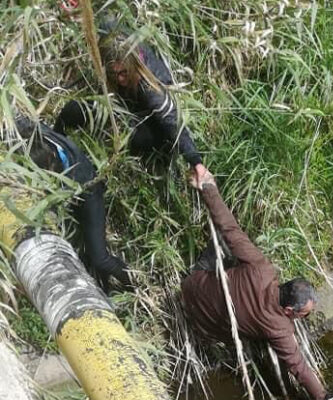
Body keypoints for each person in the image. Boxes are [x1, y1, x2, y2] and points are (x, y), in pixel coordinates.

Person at [182, 165, 327, 400]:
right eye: (303, 315)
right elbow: (299, 367)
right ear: (289, 311)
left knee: (227, 242)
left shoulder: (261, 269)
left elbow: (229, 228)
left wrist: (207, 186)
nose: (302, 319)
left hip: (192, 286)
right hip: (204, 328)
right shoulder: (279, 328)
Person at [54, 22, 202, 168]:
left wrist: (195, 161)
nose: (119, 79)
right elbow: (101, 20)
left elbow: (171, 121)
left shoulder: (149, 86)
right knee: (73, 109)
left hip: (149, 121)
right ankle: (54, 143)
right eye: (113, 73)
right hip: (120, 104)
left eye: (124, 73)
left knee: (142, 139)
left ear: (134, 65)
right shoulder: (111, 40)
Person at [13, 116, 132, 291]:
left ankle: (135, 285)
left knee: (100, 258)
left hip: (88, 192)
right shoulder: (25, 136)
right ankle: (104, 289)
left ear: (51, 156)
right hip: (67, 198)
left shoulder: (69, 164)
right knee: (83, 255)